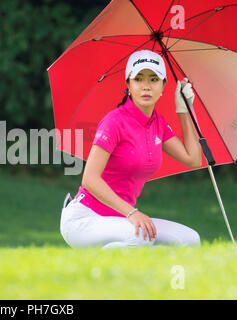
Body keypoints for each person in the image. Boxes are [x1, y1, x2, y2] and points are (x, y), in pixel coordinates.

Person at [60, 50, 202, 250]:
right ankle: (99, 265)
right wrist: (132, 213)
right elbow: (89, 179)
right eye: (138, 79)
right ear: (128, 85)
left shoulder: (157, 123)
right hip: (85, 219)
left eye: (153, 79)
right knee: (142, 239)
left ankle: (143, 264)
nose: (146, 86)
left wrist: (184, 110)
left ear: (163, 86)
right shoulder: (114, 121)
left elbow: (193, 159)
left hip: (120, 220)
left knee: (190, 240)